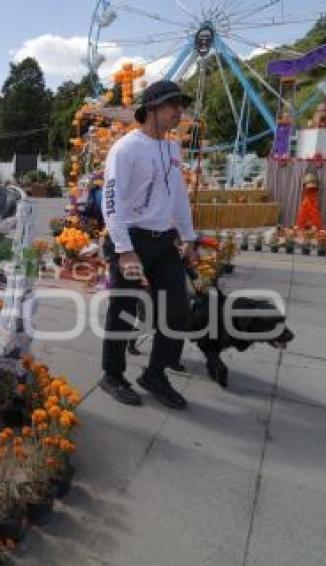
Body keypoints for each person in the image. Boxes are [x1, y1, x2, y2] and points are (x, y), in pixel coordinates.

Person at [99, 80, 197, 410]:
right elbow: (111, 203)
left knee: (178, 311)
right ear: (152, 108)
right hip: (131, 238)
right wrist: (125, 249)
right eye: (173, 105)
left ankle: (155, 375)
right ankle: (112, 375)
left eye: (180, 106)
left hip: (163, 240)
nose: (178, 112)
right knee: (124, 311)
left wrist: (188, 237)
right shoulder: (126, 149)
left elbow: (178, 196)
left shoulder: (171, 148)